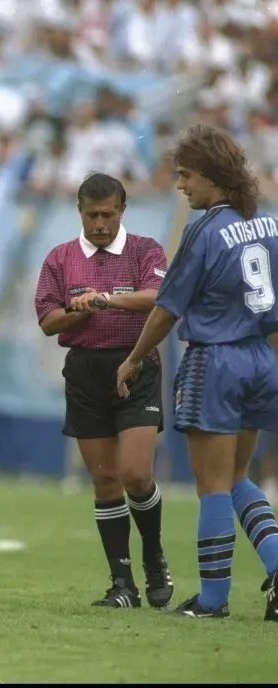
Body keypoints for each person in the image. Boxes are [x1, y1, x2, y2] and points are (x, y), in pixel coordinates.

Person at [116, 124, 278, 619]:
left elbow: (167, 308)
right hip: (260, 358)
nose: (181, 185)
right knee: (235, 476)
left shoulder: (204, 230)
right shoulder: (270, 224)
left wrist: (135, 356)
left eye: (186, 175)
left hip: (216, 358)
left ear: (213, 176)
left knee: (211, 485)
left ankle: (212, 600)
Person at [34, 172, 174, 610]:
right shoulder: (60, 258)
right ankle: (122, 584)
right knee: (106, 480)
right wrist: (76, 312)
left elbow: (158, 296)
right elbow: (46, 321)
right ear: (79, 212)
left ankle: (154, 555)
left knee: (136, 473)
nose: (100, 223)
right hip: (85, 372)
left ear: (122, 211)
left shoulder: (144, 250)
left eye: (108, 215)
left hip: (136, 366)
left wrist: (107, 299)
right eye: (92, 215)